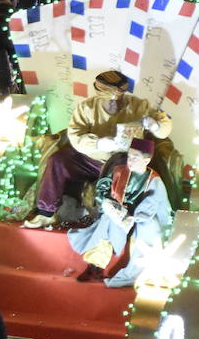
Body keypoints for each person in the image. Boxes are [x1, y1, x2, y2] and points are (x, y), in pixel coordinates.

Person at [24, 70, 172, 228]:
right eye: (109, 101)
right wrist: (98, 143)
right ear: (98, 96)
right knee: (58, 160)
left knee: (126, 169)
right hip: (89, 159)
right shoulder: (87, 107)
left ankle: (118, 218)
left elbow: (164, 126)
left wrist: (155, 125)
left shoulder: (138, 106)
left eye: (118, 101)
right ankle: (46, 213)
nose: (114, 105)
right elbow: (75, 135)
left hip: (122, 162)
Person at [67, 138, 173, 288]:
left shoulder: (153, 180)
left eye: (135, 158)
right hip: (117, 213)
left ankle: (131, 274)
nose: (130, 161)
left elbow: (153, 203)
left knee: (149, 231)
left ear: (146, 160)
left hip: (140, 217)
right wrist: (108, 204)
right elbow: (103, 188)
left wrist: (132, 218)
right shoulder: (119, 171)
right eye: (129, 156)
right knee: (107, 223)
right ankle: (95, 266)